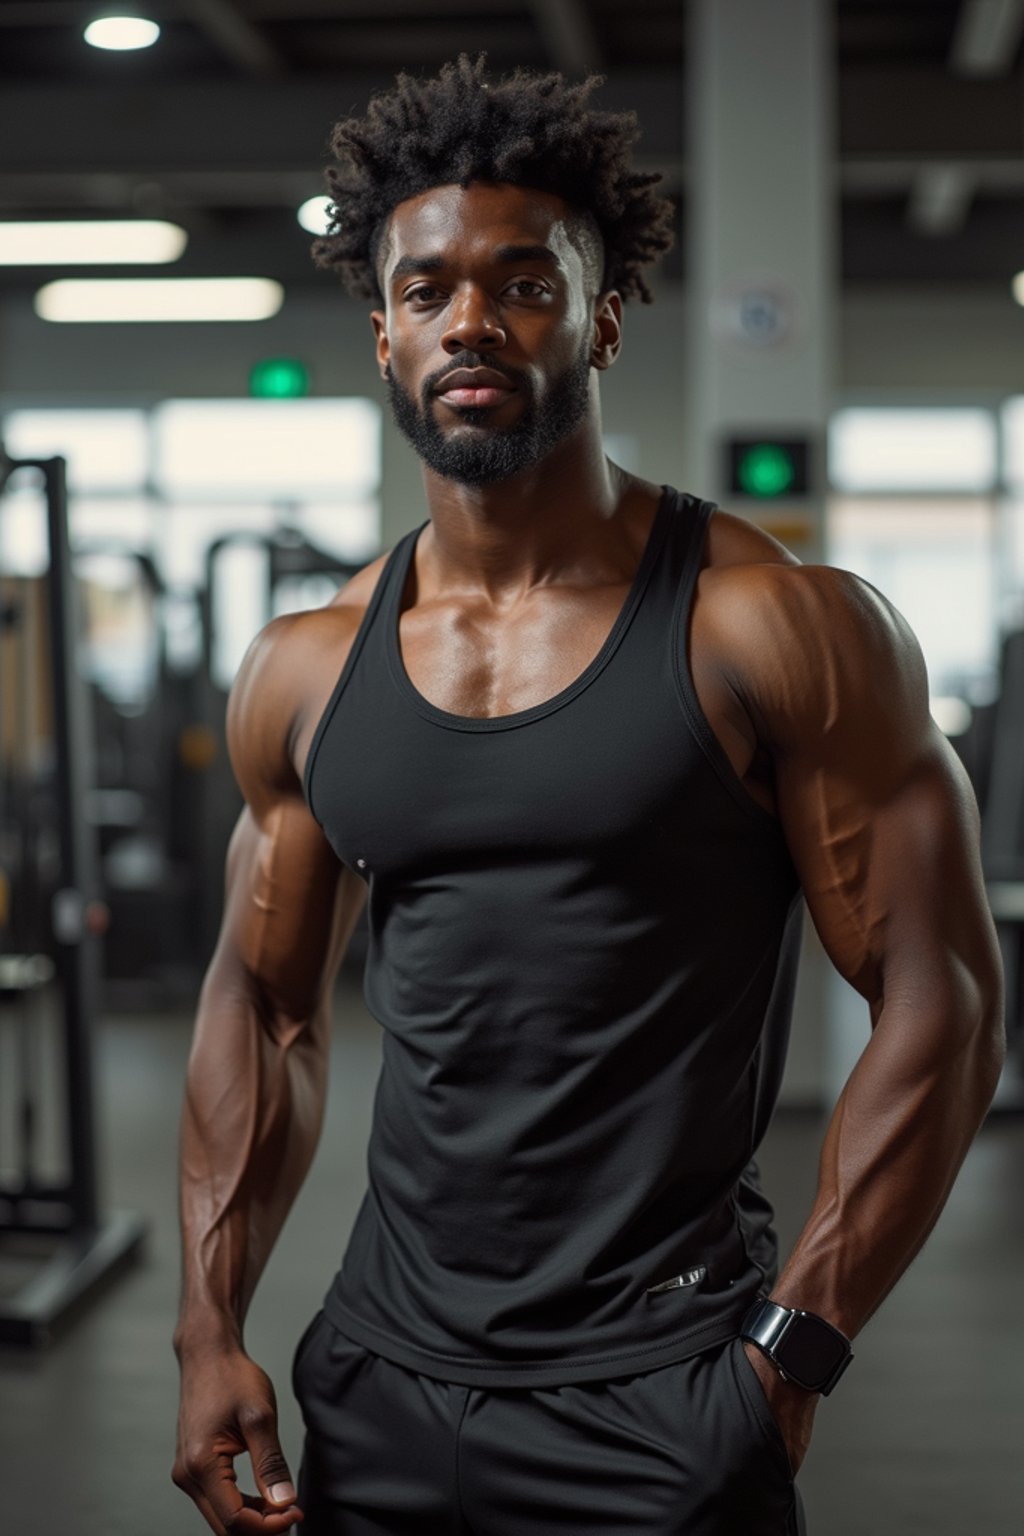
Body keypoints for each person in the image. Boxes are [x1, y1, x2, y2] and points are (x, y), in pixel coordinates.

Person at [172, 54, 1005, 1536]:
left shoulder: (773, 625)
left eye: (522, 282)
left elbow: (940, 998)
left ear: (603, 313)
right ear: (382, 333)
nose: (470, 321)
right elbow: (265, 1003)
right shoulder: (304, 669)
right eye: (425, 292)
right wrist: (207, 1325)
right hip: (375, 1380)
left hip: (668, 1387)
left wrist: (789, 1357)